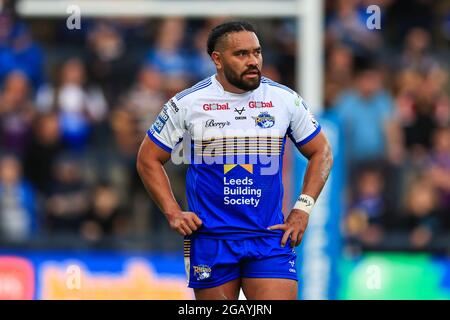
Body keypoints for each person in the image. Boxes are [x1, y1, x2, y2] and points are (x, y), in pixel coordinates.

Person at [136, 21, 333, 300]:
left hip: (268, 237)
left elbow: (322, 152)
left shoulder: (284, 100)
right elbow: (148, 159)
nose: (253, 61)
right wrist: (172, 211)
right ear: (217, 59)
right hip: (211, 239)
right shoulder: (188, 103)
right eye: (241, 54)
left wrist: (302, 209)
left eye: (257, 52)